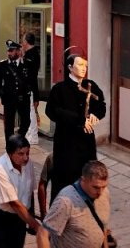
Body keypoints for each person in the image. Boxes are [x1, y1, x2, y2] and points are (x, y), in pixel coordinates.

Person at [45, 53, 106, 201]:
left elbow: (101, 105)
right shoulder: (60, 89)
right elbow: (52, 111)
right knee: (65, 182)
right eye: (80, 65)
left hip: (86, 142)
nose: (84, 68)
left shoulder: (90, 86)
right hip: (67, 142)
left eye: (85, 65)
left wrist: (94, 115)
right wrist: (79, 120)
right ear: (70, 67)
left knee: (87, 177)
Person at [0, 134, 41, 248]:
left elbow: (30, 192)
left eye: (27, 153)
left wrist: (31, 215)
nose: (25, 157)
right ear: (9, 154)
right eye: (21, 154)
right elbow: (14, 203)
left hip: (20, 218)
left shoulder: (28, 163)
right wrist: (37, 227)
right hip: (0, 219)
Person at [38, 160, 111, 248]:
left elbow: (103, 228)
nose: (100, 192)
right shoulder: (65, 201)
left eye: (104, 186)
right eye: (96, 187)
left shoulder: (105, 193)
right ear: (83, 180)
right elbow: (43, 234)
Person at [0, 40, 38, 143]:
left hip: (23, 98)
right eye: (8, 51)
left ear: (18, 51)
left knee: (26, 121)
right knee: (9, 124)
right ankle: (10, 145)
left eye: (12, 51)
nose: (9, 53)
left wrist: (36, 98)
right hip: (9, 98)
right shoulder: (3, 64)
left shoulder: (28, 64)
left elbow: (33, 82)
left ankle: (18, 138)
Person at [22, 33, 41, 145]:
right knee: (29, 111)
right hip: (30, 86)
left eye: (23, 40)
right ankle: (30, 133)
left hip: (30, 87)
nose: (22, 42)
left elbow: (29, 74)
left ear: (26, 42)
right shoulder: (31, 53)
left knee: (31, 112)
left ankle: (33, 135)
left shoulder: (31, 55)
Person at [37, 153, 54, 219]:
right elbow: (42, 184)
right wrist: (43, 212)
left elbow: (42, 184)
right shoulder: (52, 157)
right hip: (56, 210)